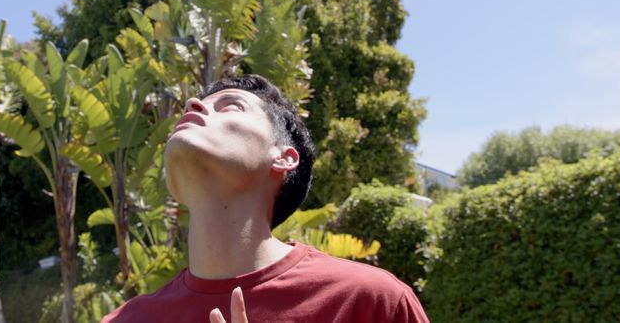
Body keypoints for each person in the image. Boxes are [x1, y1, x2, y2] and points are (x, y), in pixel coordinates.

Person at [102, 74, 429, 323]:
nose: (192, 105)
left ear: (284, 157)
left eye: (230, 105)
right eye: (193, 105)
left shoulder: (370, 303)